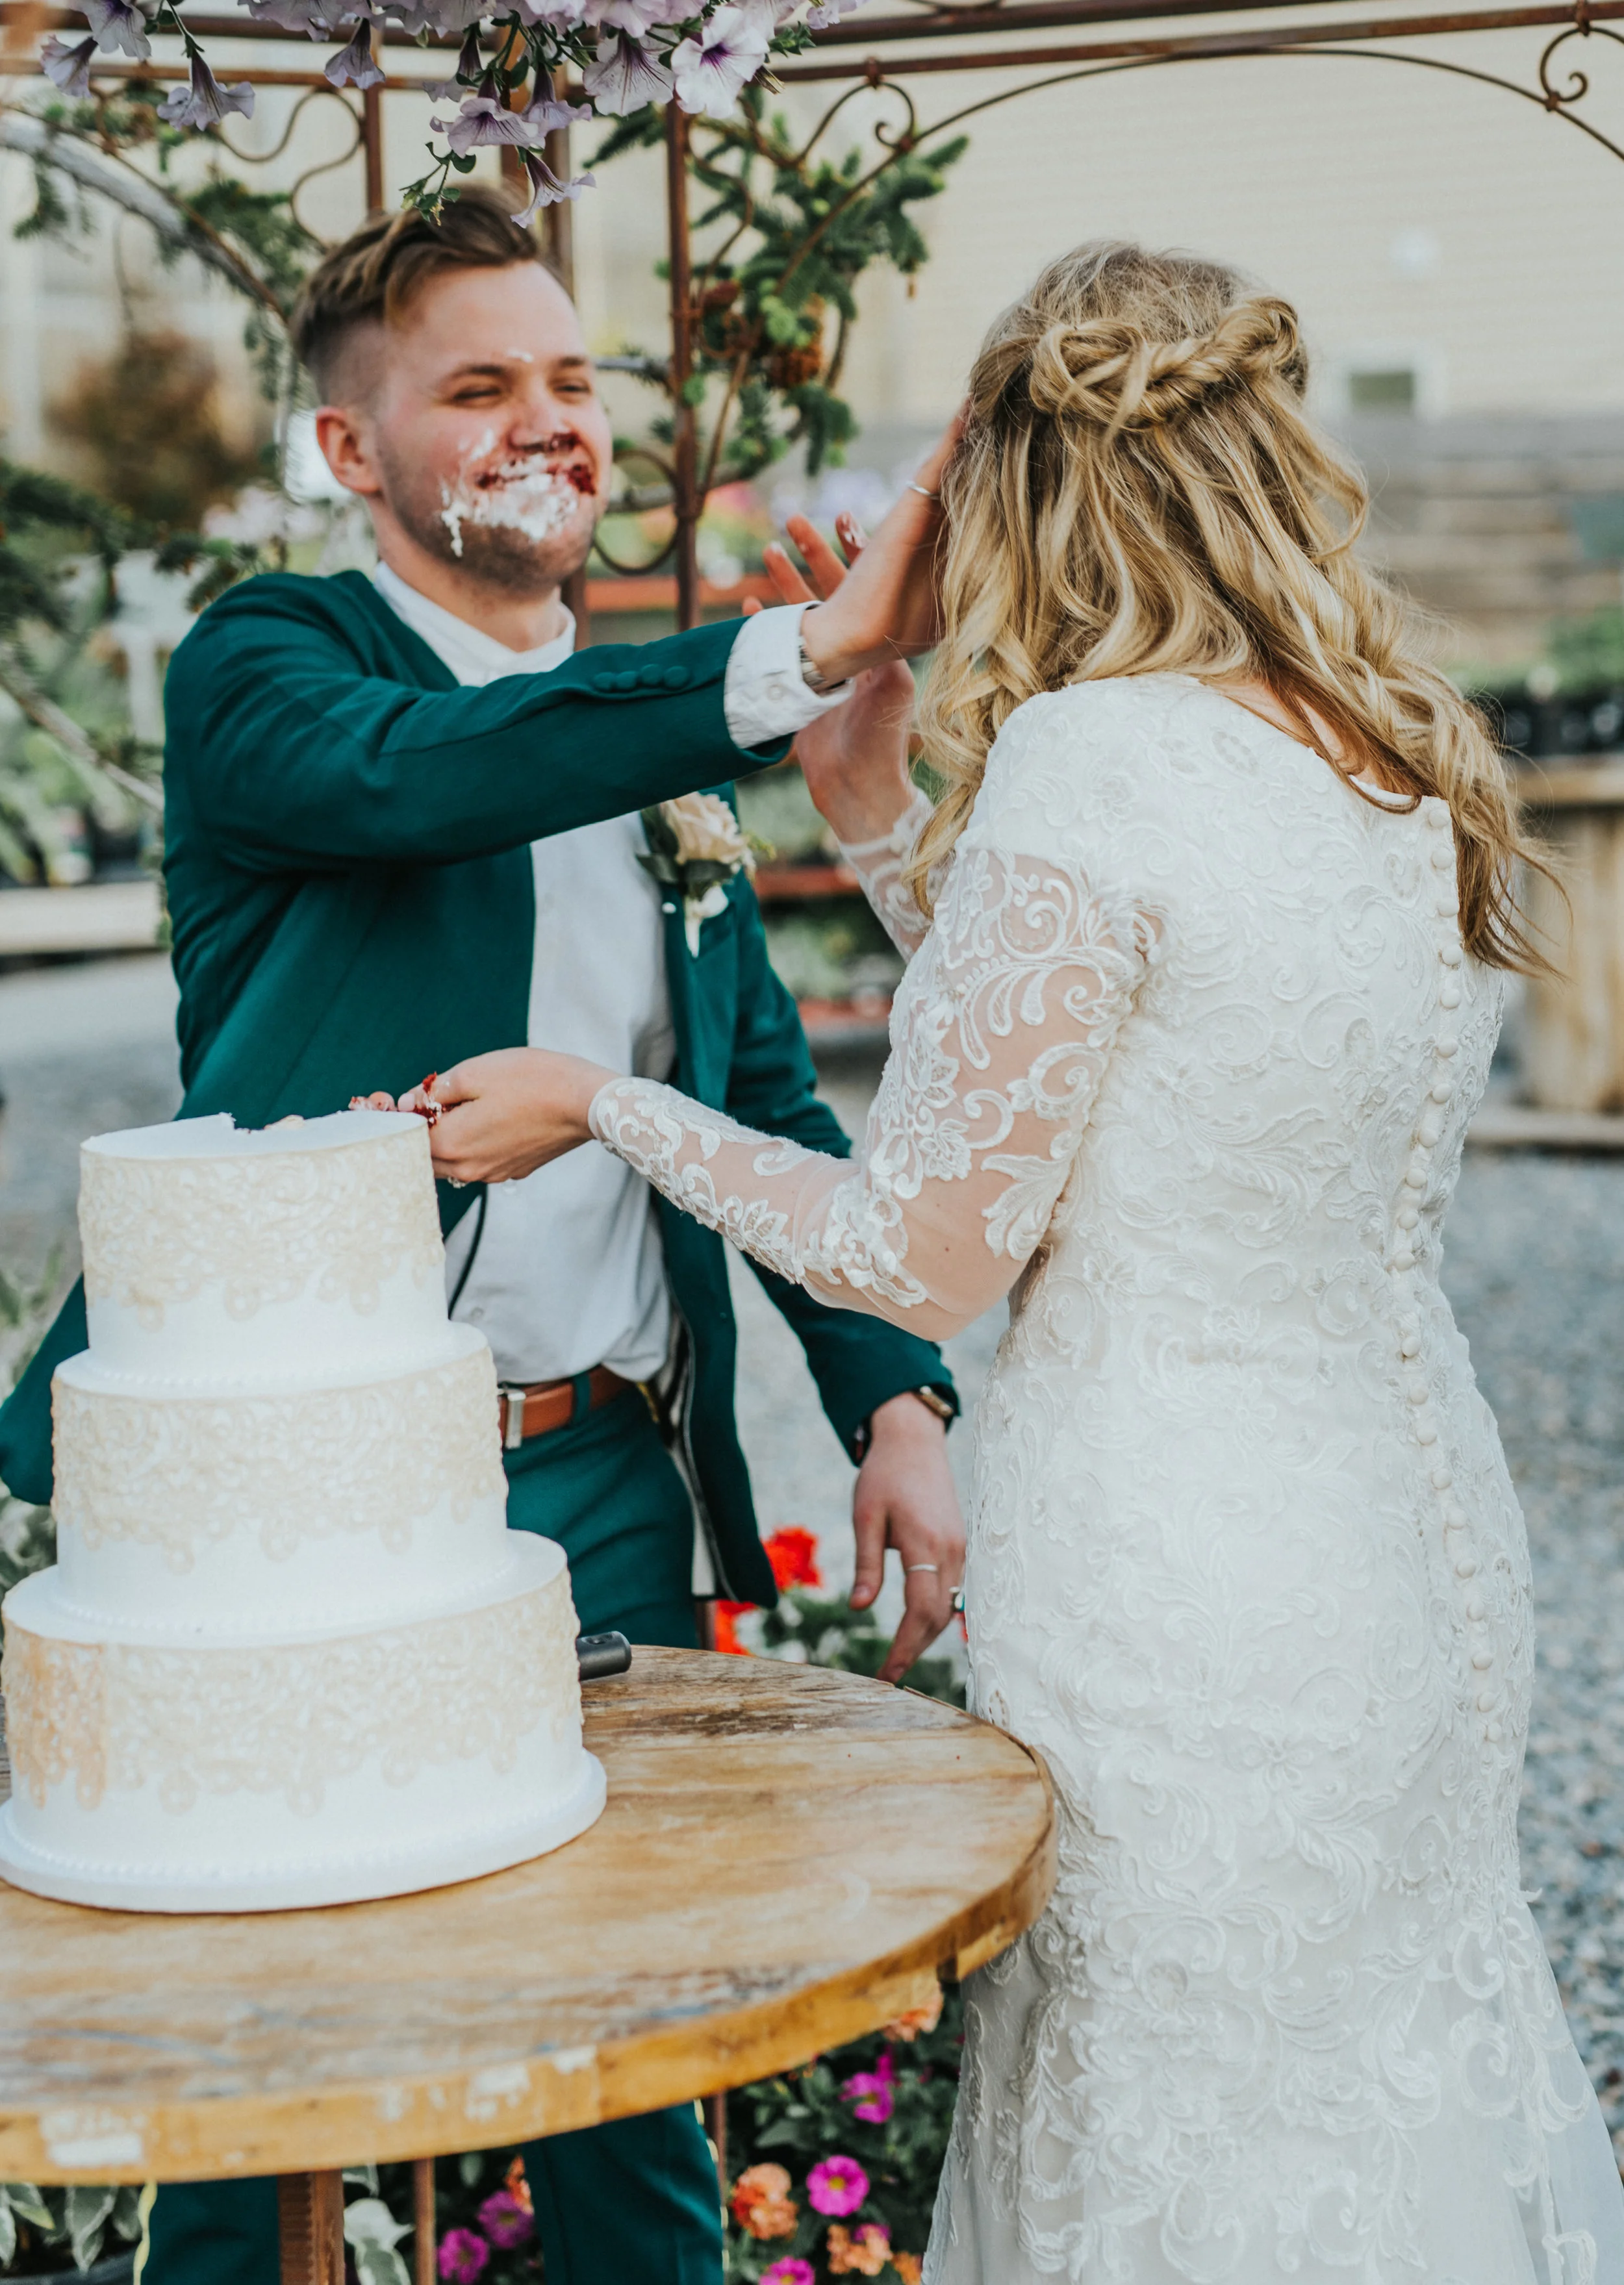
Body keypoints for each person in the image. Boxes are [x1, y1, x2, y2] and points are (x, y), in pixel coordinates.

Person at [396, 241, 1624, 2282]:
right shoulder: (1382, 745)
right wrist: (876, 820)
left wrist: (601, 1103)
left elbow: (924, 1243)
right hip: (1402, 1546)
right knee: (1362, 2067)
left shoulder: (1091, 760)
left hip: (1179, 1583)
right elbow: (1124, 1092)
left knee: (1171, 2112)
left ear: (1013, 488)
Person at [0, 189, 967, 2285]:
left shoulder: (655, 742)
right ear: (354, 453)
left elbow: (766, 1100)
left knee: (639, 2057)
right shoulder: (278, 665)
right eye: (475, 388)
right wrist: (780, 656)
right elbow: (429, 778)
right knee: (253, 2067)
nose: (547, 422)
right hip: (288, 1511)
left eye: (566, 377)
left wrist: (894, 1394)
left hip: (605, 1471)